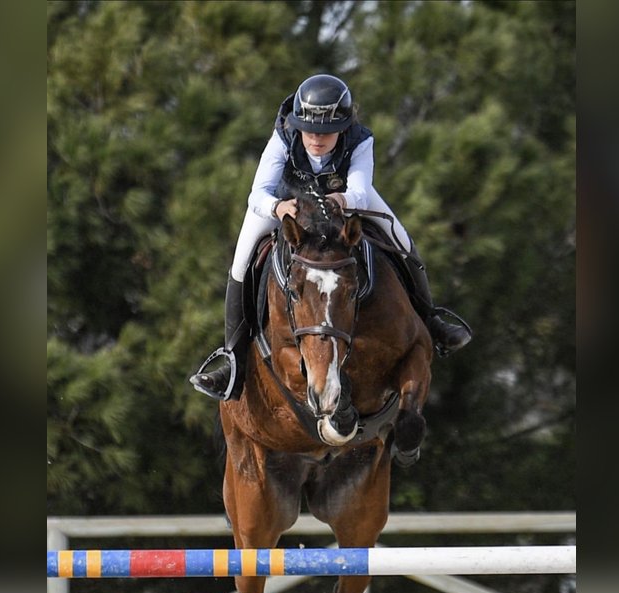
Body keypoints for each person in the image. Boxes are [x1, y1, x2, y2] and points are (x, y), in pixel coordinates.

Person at [190, 73, 472, 401]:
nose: (316, 139)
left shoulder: (360, 140)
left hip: (344, 202)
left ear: (343, 127)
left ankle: (431, 320)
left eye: (326, 133)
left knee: (400, 238)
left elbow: (361, 191)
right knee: (241, 263)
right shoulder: (283, 136)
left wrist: (346, 200)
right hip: (287, 204)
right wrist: (278, 207)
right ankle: (233, 361)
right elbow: (258, 193)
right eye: (310, 131)